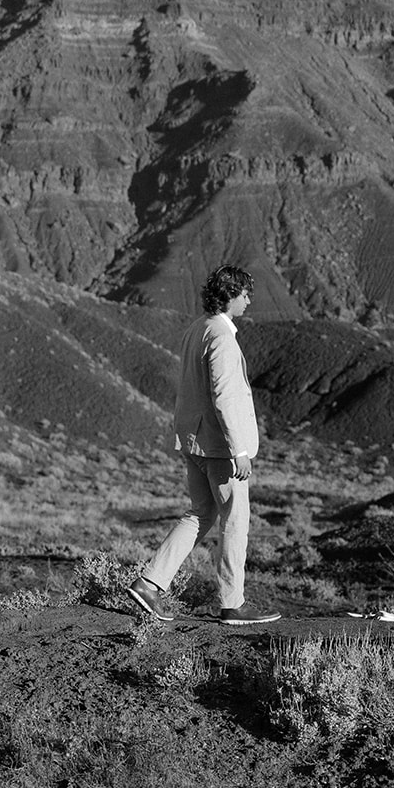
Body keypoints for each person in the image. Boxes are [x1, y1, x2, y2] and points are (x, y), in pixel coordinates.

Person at [127, 264, 281, 626]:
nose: (248, 301)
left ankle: (149, 582)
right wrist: (239, 450)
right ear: (229, 296)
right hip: (219, 447)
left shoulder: (198, 329)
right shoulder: (222, 336)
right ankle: (233, 603)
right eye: (244, 294)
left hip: (194, 440)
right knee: (234, 520)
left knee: (201, 513)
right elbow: (225, 396)